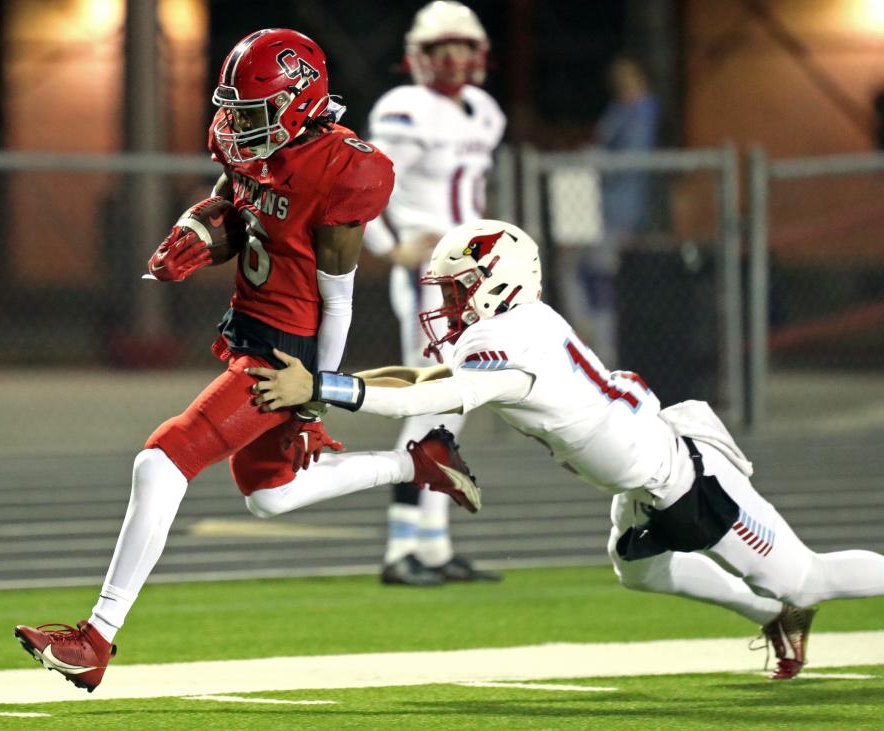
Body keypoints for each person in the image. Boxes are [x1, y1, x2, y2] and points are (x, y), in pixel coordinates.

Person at [11, 29, 474, 694]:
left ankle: (96, 637)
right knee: (270, 496)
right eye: (233, 108)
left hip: (286, 354)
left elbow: (336, 301)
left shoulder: (341, 168)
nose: (236, 124)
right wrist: (197, 230)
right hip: (255, 329)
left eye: (253, 112)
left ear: (298, 103)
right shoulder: (251, 145)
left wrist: (316, 395)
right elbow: (237, 205)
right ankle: (418, 461)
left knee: (162, 458)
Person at [249, 218, 884, 681]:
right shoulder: (516, 325)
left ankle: (783, 601)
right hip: (644, 472)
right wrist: (332, 387)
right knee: (636, 567)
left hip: (685, 480)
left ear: (499, 282)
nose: (446, 304)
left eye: (457, 288)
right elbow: (422, 381)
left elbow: (422, 401)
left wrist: (325, 387)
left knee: (808, 576)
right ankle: (768, 611)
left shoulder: (510, 344)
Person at [363, 0, 506, 586]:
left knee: (456, 406)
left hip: (473, 276)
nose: (451, 59)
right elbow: (361, 186)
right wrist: (386, 247)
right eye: (439, 47)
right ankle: (401, 549)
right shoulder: (403, 109)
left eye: (461, 47)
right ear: (417, 56)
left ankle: (435, 545)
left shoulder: (484, 112)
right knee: (431, 402)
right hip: (429, 277)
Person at [559, 55, 659, 367]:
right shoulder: (619, 109)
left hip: (617, 206)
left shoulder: (642, 112)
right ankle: (585, 333)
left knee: (596, 272)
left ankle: (603, 348)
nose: (623, 87)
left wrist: (596, 160)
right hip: (594, 201)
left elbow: (627, 160)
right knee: (572, 267)